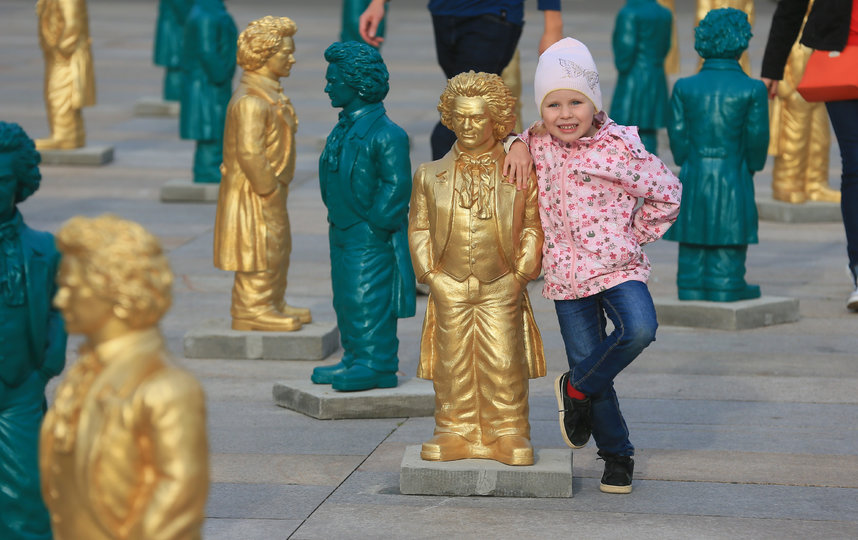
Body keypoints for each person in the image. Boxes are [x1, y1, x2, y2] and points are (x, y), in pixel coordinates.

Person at [506, 38, 681, 491]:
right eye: (553, 104)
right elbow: (514, 133)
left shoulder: (620, 147)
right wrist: (515, 142)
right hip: (566, 278)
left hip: (618, 268)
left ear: (594, 102)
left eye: (576, 102)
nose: (565, 114)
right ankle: (617, 456)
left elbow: (667, 192)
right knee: (589, 358)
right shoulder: (538, 145)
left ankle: (575, 389)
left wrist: (633, 235)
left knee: (639, 329)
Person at [40, 215, 209, 540]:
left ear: (113, 287)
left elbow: (176, 503)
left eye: (70, 287)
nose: (60, 300)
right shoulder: (83, 373)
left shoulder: (165, 388)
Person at [409, 71, 545, 466]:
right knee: (451, 361)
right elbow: (418, 228)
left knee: (504, 360)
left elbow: (534, 227)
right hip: (449, 283)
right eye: (461, 117)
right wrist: (432, 277)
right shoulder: (429, 174)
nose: (468, 126)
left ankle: (509, 430)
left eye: (478, 118)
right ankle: (453, 428)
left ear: (497, 120)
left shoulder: (520, 171)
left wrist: (520, 276)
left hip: (501, 283)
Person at [314, 41, 415, 392]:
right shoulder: (345, 127)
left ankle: (377, 362)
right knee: (345, 295)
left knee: (368, 294)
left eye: (333, 79)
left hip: (368, 232)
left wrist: (375, 224)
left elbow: (397, 185)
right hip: (341, 228)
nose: (327, 86)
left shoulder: (388, 134)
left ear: (356, 83)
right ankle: (355, 356)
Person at [359, 0, 563, 160]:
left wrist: (552, 21)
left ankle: (439, 204)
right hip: (444, 12)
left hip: (493, 13)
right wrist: (379, 2)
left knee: (453, 124)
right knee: (475, 115)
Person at [214, 16, 312, 332]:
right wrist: (268, 189)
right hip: (254, 192)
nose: (292, 58)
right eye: (286, 53)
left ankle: (272, 299)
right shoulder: (251, 102)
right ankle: (251, 308)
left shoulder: (267, 94)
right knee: (258, 247)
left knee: (278, 244)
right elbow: (249, 153)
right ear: (264, 56)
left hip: (270, 187)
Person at [665, 8, 768, 302]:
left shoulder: (685, 87)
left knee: (693, 234)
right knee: (729, 230)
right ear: (742, 40)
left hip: (695, 170)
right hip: (732, 169)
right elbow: (757, 139)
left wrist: (688, 159)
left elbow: (678, 139)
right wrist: (753, 165)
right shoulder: (752, 88)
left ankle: (690, 282)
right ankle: (725, 281)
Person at [762, 0, 858, 311]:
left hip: (839, 58)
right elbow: (791, 7)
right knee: (855, 165)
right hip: (839, 57)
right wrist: (772, 67)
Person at [0, 122, 67, 540]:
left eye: (3, 179)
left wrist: (45, 368)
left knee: (25, 489)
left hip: (20, 385)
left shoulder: (43, 248)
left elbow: (57, 312)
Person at [767, 0, 838, 205]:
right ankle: (787, 182)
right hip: (794, 87)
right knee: (794, 136)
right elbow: (785, 19)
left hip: (818, 79)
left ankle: (816, 183)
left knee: (820, 135)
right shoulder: (797, 21)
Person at [179, 0, 237, 183]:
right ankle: (208, 170)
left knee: (217, 127)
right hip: (207, 85)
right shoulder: (205, 15)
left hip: (210, 83)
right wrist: (221, 75)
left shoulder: (209, 10)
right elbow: (207, 52)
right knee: (211, 128)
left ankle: (214, 167)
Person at [610, 0, 673, 154]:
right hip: (656, 77)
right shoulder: (665, 13)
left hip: (634, 81)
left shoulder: (629, 13)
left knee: (627, 133)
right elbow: (666, 47)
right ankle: (652, 170)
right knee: (650, 133)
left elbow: (624, 54)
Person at [35, 0, 95, 150]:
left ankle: (65, 136)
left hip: (63, 57)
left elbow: (73, 25)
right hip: (58, 54)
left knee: (59, 93)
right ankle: (71, 134)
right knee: (56, 93)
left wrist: (61, 50)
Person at [153, 0, 193, 101]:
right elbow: (183, 12)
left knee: (176, 68)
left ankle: (175, 98)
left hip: (174, 29)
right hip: (174, 33)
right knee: (175, 69)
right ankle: (174, 99)